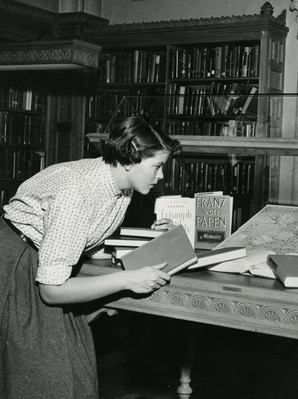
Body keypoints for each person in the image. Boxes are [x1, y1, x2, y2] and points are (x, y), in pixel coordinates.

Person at [0, 116, 180, 399]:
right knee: (45, 381)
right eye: (157, 166)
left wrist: (150, 241)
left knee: (77, 372)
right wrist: (127, 279)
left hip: (44, 258)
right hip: (16, 264)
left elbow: (87, 239)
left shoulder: (120, 184)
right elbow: (51, 291)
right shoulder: (77, 193)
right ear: (130, 158)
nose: (161, 177)